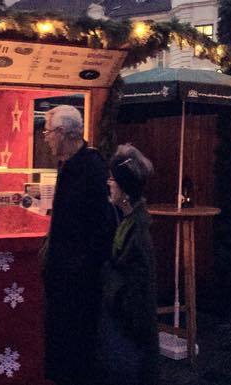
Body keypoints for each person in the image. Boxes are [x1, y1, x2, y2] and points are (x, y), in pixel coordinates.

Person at [42, 105, 116, 385]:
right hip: (65, 275)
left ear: (63, 133)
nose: (46, 138)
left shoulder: (91, 169)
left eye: (49, 132)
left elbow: (100, 227)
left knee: (78, 346)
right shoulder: (69, 165)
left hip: (79, 280)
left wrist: (77, 268)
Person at [101, 145, 159, 385]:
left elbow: (135, 290)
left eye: (113, 179)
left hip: (128, 332)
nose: (108, 183)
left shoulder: (135, 232)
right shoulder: (129, 220)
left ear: (124, 189)